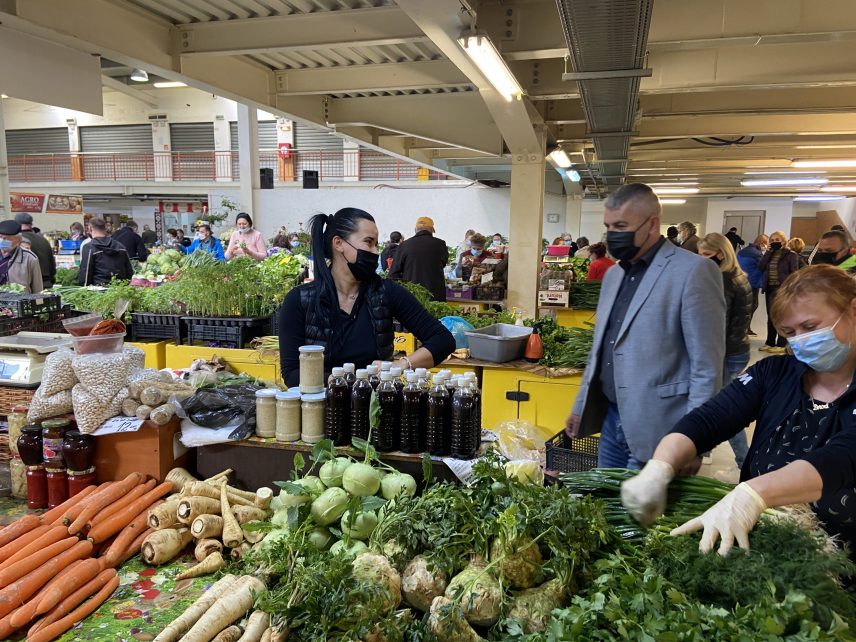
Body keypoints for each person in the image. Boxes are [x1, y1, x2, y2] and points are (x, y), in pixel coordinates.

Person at [620, 265, 856, 555]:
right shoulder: (774, 374)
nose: (801, 340)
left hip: (841, 558)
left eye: (810, 327)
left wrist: (754, 494)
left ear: (853, 310)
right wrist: (660, 467)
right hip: (761, 548)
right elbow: (709, 419)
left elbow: (843, 457)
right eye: (790, 332)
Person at [565, 183, 725, 468]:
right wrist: (580, 406)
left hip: (661, 427)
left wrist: (695, 440)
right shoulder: (614, 276)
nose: (613, 235)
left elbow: (706, 368)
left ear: (652, 224)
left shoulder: (694, 271)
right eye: (608, 227)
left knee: (644, 499)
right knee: (607, 497)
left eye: (621, 226)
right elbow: (600, 349)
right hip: (610, 420)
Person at [278, 208, 455, 386]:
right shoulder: (300, 300)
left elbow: (443, 340)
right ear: (338, 243)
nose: (374, 251)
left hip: (375, 400)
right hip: (322, 402)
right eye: (368, 242)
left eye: (376, 244)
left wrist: (400, 365)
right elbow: (291, 373)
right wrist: (336, 381)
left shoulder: (386, 292)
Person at [698, 233, 754, 468]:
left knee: (724, 410)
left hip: (724, 353)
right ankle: (705, 450)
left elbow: (716, 324)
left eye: (706, 254)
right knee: (717, 404)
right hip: (737, 348)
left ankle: (745, 462)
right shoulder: (739, 276)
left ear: (721, 254)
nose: (701, 259)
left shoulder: (722, 282)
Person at [389, 217, 448, 301]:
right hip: (435, 297)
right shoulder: (440, 244)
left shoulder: (404, 245)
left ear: (415, 230)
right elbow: (444, 263)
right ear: (432, 230)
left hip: (412, 296)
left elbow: (393, 274)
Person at [759, 230, 800, 353]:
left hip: (782, 288)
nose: (774, 242)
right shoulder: (770, 254)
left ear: (783, 241)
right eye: (772, 240)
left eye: (777, 240)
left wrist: (790, 288)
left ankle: (781, 343)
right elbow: (761, 267)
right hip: (770, 288)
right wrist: (767, 253)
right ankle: (769, 342)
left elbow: (794, 273)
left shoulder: (791, 255)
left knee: (781, 316)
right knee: (770, 316)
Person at [77, 218, 133, 286]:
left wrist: (84, 288)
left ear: (90, 228)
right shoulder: (120, 246)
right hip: (120, 288)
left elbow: (85, 274)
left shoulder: (89, 248)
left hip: (98, 289)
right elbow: (129, 270)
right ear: (105, 228)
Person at [737, 234, 769, 336]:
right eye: (766, 243)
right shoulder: (757, 254)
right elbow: (764, 266)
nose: (766, 246)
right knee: (752, 305)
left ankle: (744, 328)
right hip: (753, 282)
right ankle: (745, 328)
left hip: (741, 281)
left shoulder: (742, 251)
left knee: (744, 305)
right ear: (761, 243)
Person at [14, 213, 55, 289]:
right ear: (31, 224)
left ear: (16, 224)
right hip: (45, 284)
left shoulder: (16, 240)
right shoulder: (43, 240)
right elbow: (52, 265)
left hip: (27, 287)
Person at [0, 220, 43, 294]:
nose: (2, 241)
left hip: (18, 300)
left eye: (7, 238)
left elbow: (38, 289)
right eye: (0, 237)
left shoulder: (30, 258)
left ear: (18, 240)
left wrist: (39, 300)